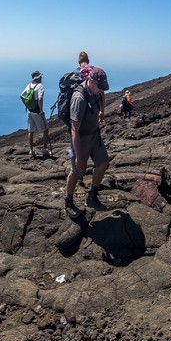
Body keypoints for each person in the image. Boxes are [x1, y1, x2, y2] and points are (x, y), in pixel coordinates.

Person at [65, 52, 111, 218]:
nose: (101, 91)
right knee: (78, 171)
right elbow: (74, 129)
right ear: (90, 81)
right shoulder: (79, 98)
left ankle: (92, 195)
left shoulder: (96, 90)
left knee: (103, 162)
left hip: (94, 134)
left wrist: (102, 112)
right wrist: (78, 155)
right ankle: (68, 201)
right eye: (99, 87)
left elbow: (102, 94)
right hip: (81, 137)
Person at [21, 71, 50, 158]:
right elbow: (40, 98)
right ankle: (44, 150)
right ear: (37, 77)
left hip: (30, 111)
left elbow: (22, 96)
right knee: (45, 130)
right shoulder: (39, 86)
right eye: (40, 77)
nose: (41, 78)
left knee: (31, 131)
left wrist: (27, 106)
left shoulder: (30, 85)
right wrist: (41, 110)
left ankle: (31, 150)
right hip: (37, 112)